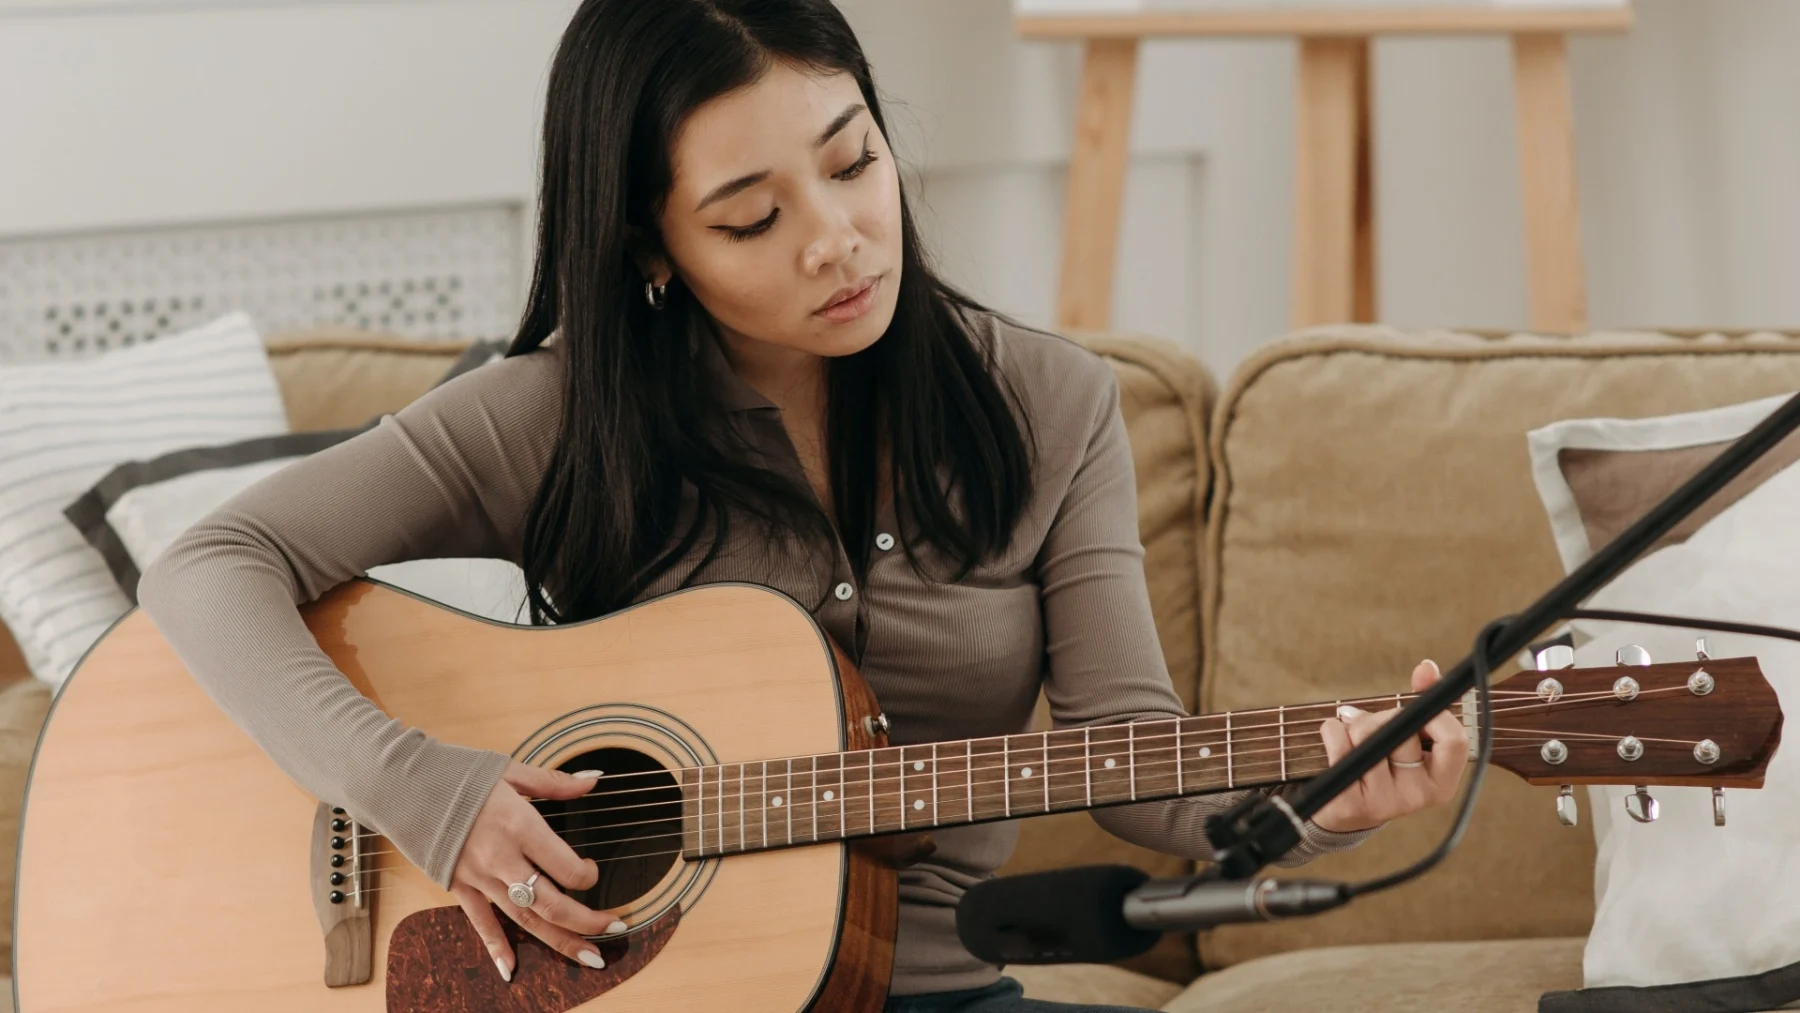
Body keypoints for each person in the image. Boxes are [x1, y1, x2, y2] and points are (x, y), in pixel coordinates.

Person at [137, 1, 1469, 1009]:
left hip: (938, 988)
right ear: (653, 250)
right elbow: (212, 564)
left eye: (852, 161)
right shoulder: (556, 415)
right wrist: (430, 795)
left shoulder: (1055, 405)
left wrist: (1325, 796)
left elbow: (1135, 758)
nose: (836, 236)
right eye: (750, 217)